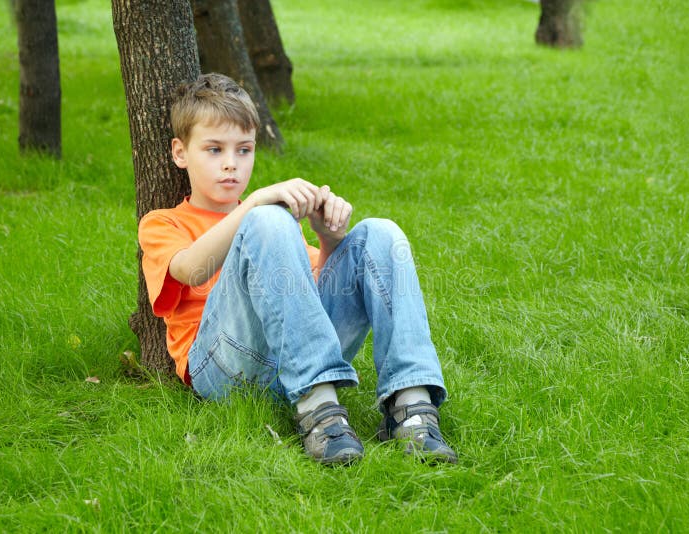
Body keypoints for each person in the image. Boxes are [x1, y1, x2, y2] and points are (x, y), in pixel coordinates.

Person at [138, 73, 457, 465]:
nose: (230, 165)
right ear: (180, 153)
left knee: (381, 233)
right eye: (214, 150)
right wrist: (254, 205)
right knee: (268, 222)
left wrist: (330, 240)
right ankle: (320, 411)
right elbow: (189, 269)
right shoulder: (164, 222)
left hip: (287, 359)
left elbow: (309, 307)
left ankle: (412, 409)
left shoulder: (270, 228)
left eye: (243, 150)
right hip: (222, 369)